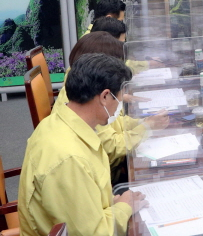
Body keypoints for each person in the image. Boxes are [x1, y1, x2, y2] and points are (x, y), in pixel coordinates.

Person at [18, 53, 148, 236]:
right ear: (105, 96)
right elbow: (93, 233)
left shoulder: (62, 122)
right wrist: (125, 207)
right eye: (119, 99)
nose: (119, 106)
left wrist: (111, 203)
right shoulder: (69, 159)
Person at [52, 32, 169, 180]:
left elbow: (114, 123)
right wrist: (146, 127)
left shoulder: (81, 91)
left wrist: (142, 122)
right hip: (109, 173)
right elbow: (112, 147)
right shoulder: (87, 109)